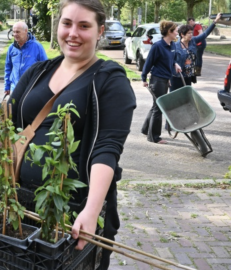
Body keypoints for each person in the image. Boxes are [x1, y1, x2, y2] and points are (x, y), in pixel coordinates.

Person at [8, 0, 136, 269]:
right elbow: (3, 123)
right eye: (67, 23)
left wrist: (90, 211)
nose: (73, 33)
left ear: (100, 31)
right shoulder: (37, 73)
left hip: (71, 214)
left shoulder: (110, 80)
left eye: (84, 26)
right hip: (19, 207)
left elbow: (107, 148)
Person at [141, 20, 181, 144]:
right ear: (169, 32)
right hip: (157, 80)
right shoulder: (157, 46)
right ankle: (154, 137)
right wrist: (143, 78)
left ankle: (146, 129)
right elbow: (149, 63)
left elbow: (171, 59)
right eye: (175, 31)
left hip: (165, 79)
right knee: (159, 107)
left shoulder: (173, 45)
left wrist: (175, 64)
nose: (177, 33)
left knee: (156, 106)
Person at [170, 13, 222, 91]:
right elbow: (170, 60)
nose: (191, 35)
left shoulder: (193, 41)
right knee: (174, 98)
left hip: (188, 76)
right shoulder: (175, 46)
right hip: (177, 77)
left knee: (186, 97)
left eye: (191, 32)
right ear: (182, 35)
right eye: (189, 33)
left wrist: (215, 21)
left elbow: (205, 34)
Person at [4, 21, 47, 95]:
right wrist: (7, 87)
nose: (15, 34)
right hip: (15, 88)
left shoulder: (37, 47)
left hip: (31, 89)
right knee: (13, 107)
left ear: (26, 31)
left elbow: (46, 68)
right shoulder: (11, 48)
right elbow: (8, 68)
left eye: (18, 32)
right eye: (13, 32)